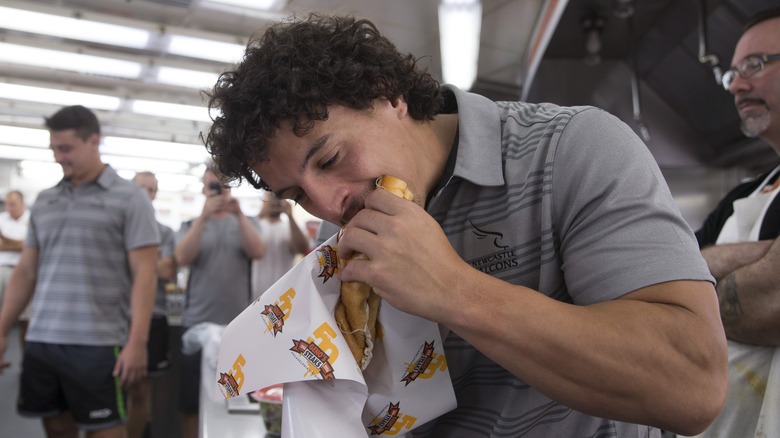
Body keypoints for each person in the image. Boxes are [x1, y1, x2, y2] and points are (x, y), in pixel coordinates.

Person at [202, 15, 728, 438]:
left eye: (331, 158)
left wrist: (454, 291)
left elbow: (693, 386)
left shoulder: (574, 149)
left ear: (389, 94)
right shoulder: (346, 234)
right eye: (297, 196)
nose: (329, 205)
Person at [0, 105, 159, 438]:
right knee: (57, 427)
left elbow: (145, 274)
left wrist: (137, 342)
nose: (58, 157)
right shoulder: (45, 200)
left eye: (66, 148)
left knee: (106, 431)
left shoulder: (131, 198)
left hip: (99, 343)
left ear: (93, 142)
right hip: (42, 339)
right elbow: (26, 271)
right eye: (54, 149)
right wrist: (1, 330)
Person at [692, 8, 780, 438]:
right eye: (733, 73)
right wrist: (763, 256)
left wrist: (708, 270)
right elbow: (673, 283)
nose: (736, 85)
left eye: (755, 65)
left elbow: (773, 302)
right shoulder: (743, 194)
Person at [174, 164, 265, 438]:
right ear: (203, 189)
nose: (217, 191)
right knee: (191, 403)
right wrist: (204, 217)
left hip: (236, 328)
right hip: (197, 325)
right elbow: (182, 258)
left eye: (222, 185)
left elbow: (258, 251)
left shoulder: (246, 222)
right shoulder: (190, 225)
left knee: (237, 400)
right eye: (212, 186)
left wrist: (238, 215)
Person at [127, 172, 177, 438]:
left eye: (152, 189)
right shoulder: (117, 226)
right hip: (115, 317)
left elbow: (167, 270)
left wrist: (133, 261)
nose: (147, 194)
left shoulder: (165, 232)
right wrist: (151, 262)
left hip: (152, 317)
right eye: (141, 188)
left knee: (140, 389)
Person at [251, 191, 310, 300]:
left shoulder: (290, 227)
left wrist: (290, 217)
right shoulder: (254, 226)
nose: (275, 201)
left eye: (278, 196)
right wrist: (262, 211)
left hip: (282, 293)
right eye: (271, 197)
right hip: (255, 294)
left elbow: (302, 249)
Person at [0, 190, 29, 337]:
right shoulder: (1, 218)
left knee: (27, 315)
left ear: (21, 203)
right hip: (2, 268)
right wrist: (21, 244)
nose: (9, 208)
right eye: (7, 204)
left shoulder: (31, 218)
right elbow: (25, 245)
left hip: (24, 270)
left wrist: (4, 239)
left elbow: (30, 246)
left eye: (12, 204)